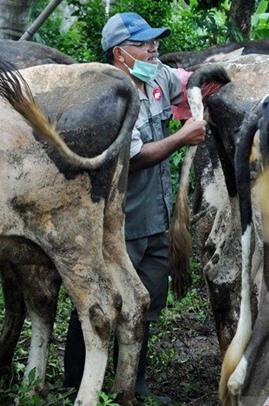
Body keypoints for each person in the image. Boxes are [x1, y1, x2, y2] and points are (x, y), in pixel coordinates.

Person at [62, 11, 208, 404]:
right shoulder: (113, 94)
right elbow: (137, 155)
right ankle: (75, 382)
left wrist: (204, 83)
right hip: (121, 220)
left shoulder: (155, 77)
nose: (153, 48)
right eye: (143, 44)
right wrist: (183, 137)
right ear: (120, 54)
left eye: (154, 40)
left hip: (156, 216)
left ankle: (133, 380)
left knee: (147, 301)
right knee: (104, 299)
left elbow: (186, 83)